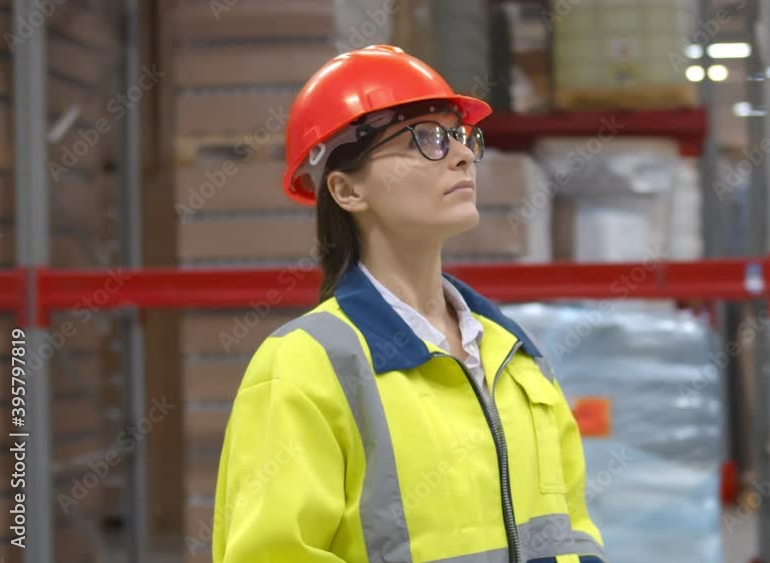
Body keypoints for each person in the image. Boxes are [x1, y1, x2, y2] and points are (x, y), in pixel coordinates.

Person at [211, 45, 606, 563]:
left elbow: (572, 531)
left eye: (462, 137)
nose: (462, 155)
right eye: (426, 138)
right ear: (347, 190)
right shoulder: (306, 365)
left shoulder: (513, 356)